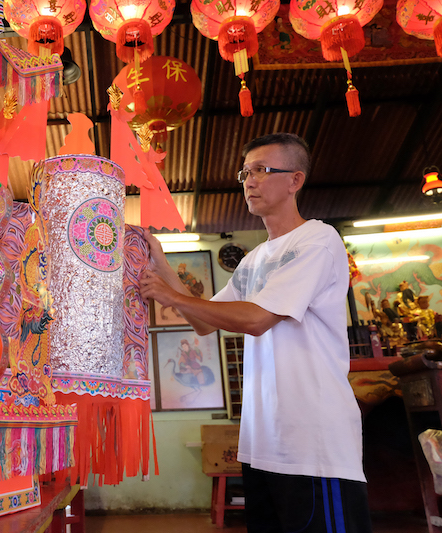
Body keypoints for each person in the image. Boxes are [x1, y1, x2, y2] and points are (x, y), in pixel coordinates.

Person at [139, 133, 371, 533]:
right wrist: (161, 262)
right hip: (261, 444)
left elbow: (257, 319)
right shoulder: (253, 261)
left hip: (313, 444)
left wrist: (168, 295)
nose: (249, 181)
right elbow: (204, 322)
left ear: (295, 180)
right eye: (245, 172)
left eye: (262, 170)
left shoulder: (317, 239)